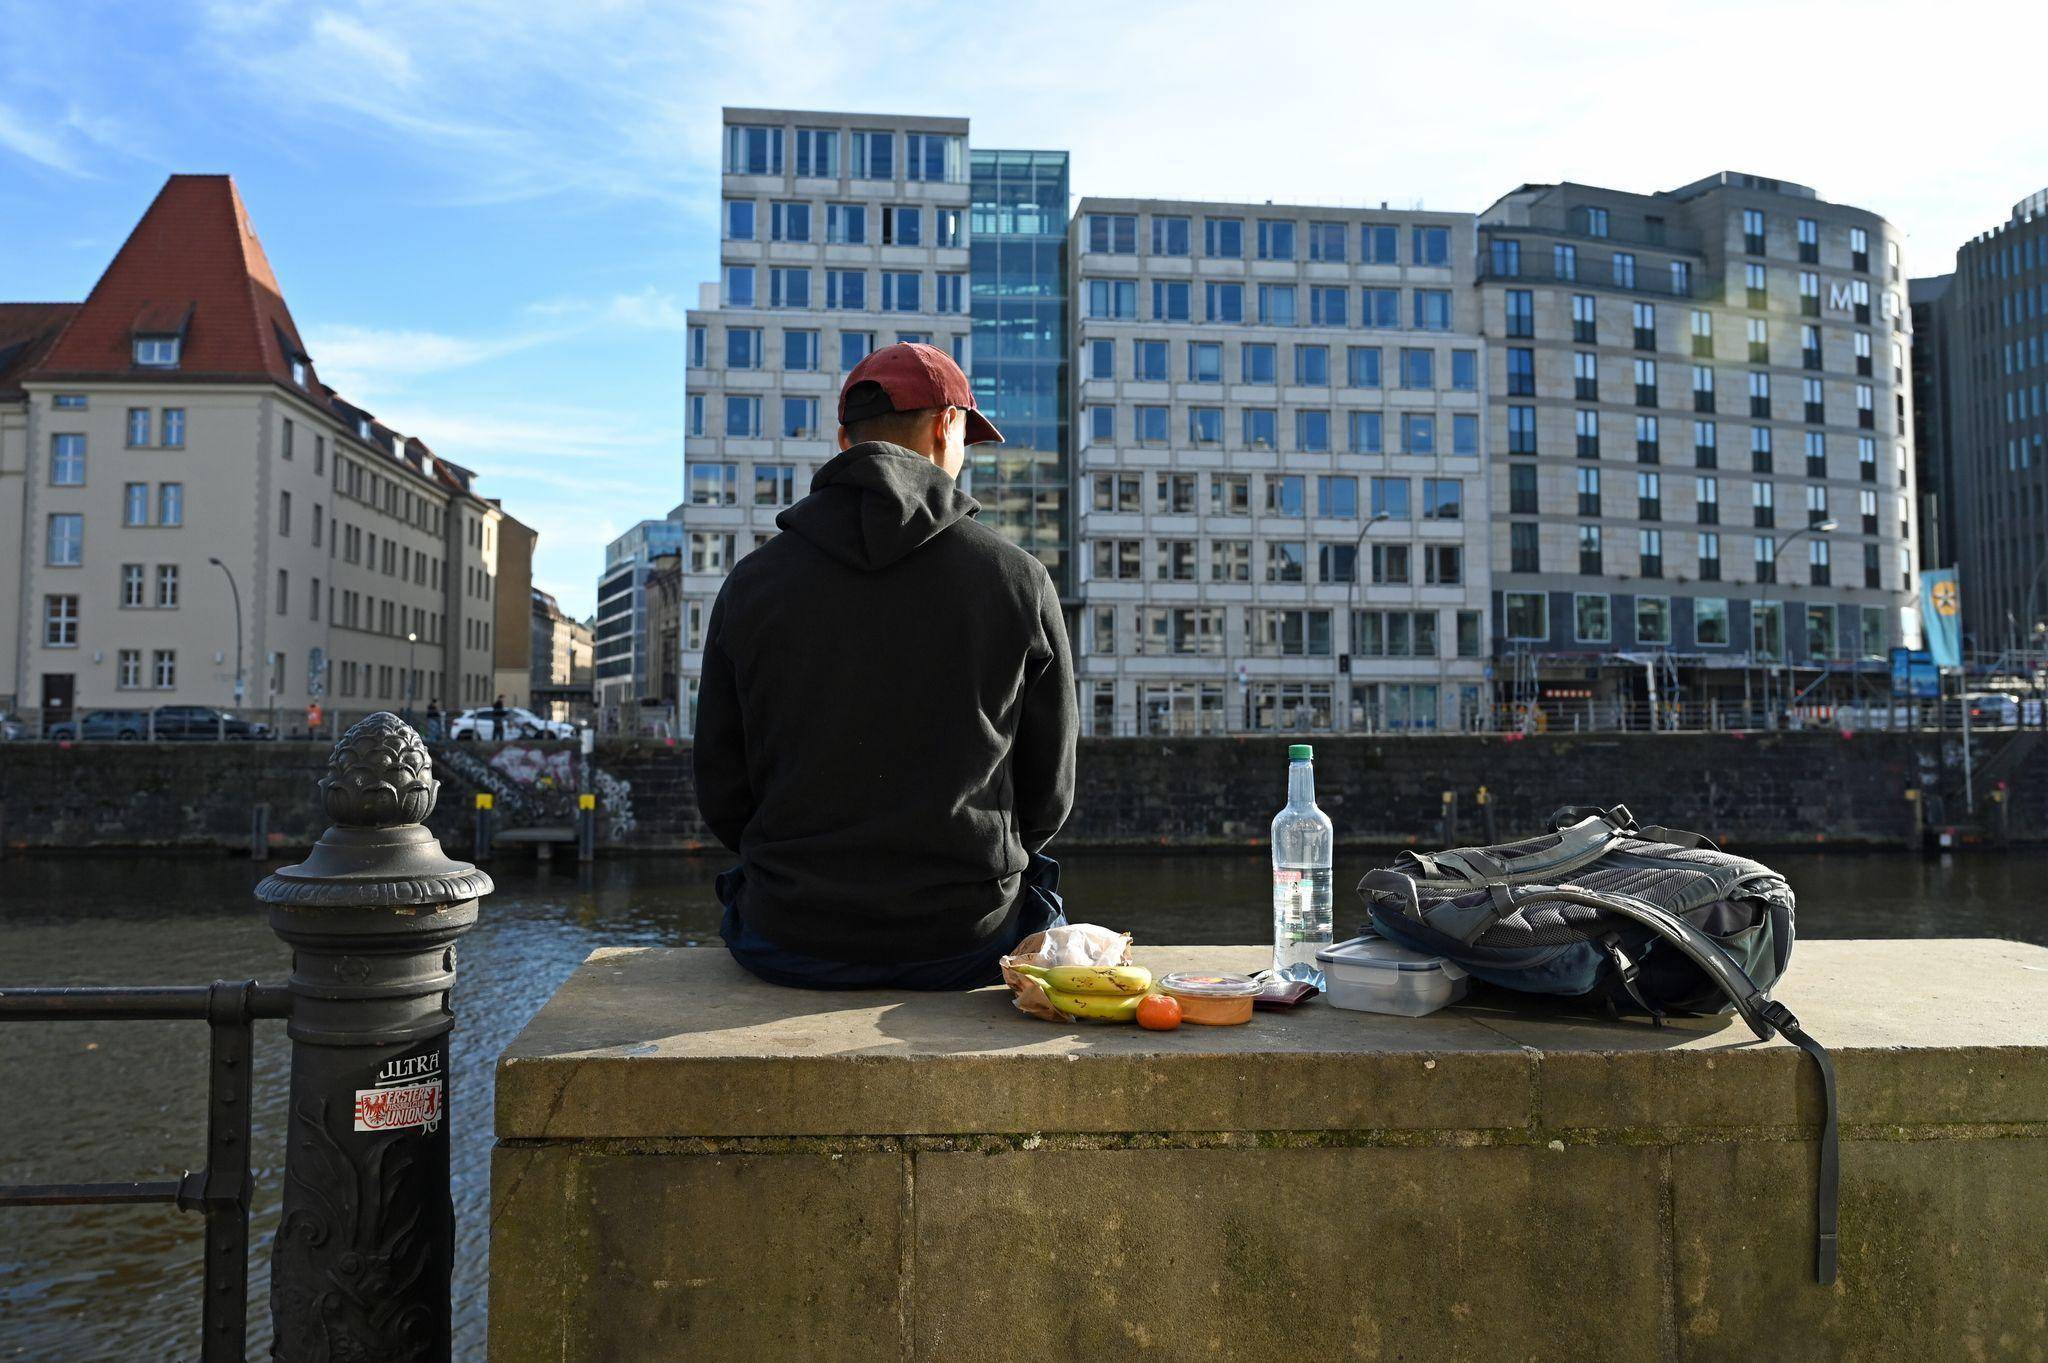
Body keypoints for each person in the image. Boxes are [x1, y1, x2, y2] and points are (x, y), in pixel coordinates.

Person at [693, 342, 1078, 990]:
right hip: (965, 939)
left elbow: (722, 789)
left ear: (845, 439)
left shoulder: (752, 584)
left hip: (789, 937)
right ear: (945, 425)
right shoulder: (1018, 579)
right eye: (965, 438)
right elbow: (1050, 796)